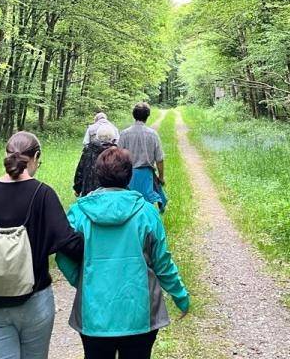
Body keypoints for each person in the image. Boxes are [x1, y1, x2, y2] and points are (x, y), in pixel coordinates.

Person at [0, 131, 84, 359]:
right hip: (34, 302)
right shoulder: (43, 194)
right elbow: (70, 245)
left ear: (6, 155)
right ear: (36, 157)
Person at [57, 147, 190, 359]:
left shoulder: (79, 212)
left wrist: (82, 280)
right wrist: (180, 296)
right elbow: (162, 262)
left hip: (94, 314)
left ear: (98, 174)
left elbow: (63, 255)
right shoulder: (147, 212)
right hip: (139, 314)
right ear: (130, 174)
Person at [118, 102, 167, 212]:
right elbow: (159, 159)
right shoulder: (153, 134)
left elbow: (118, 157)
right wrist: (161, 177)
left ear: (134, 115)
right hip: (146, 176)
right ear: (147, 116)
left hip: (128, 175)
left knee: (129, 206)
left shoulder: (124, 134)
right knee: (146, 206)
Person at [72, 123, 118, 197]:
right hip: (110, 195)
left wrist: (77, 189)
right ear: (112, 137)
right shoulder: (116, 152)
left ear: (98, 136)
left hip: (89, 193)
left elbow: (80, 171)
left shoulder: (88, 150)